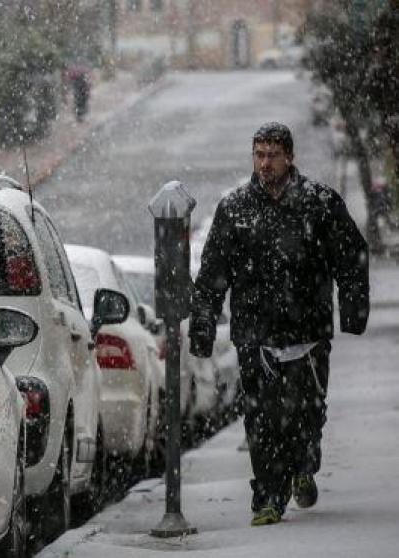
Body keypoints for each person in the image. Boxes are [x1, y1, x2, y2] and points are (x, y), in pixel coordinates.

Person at [189, 122, 369, 527]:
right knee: (261, 420)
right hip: (255, 335)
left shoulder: (319, 203)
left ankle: (304, 466)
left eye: (272, 155)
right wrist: (202, 328)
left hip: (308, 333)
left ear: (289, 157)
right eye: (259, 154)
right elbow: (213, 273)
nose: (265, 163)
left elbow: (351, 256)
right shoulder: (235, 208)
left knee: (307, 413)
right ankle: (268, 498)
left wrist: (354, 312)